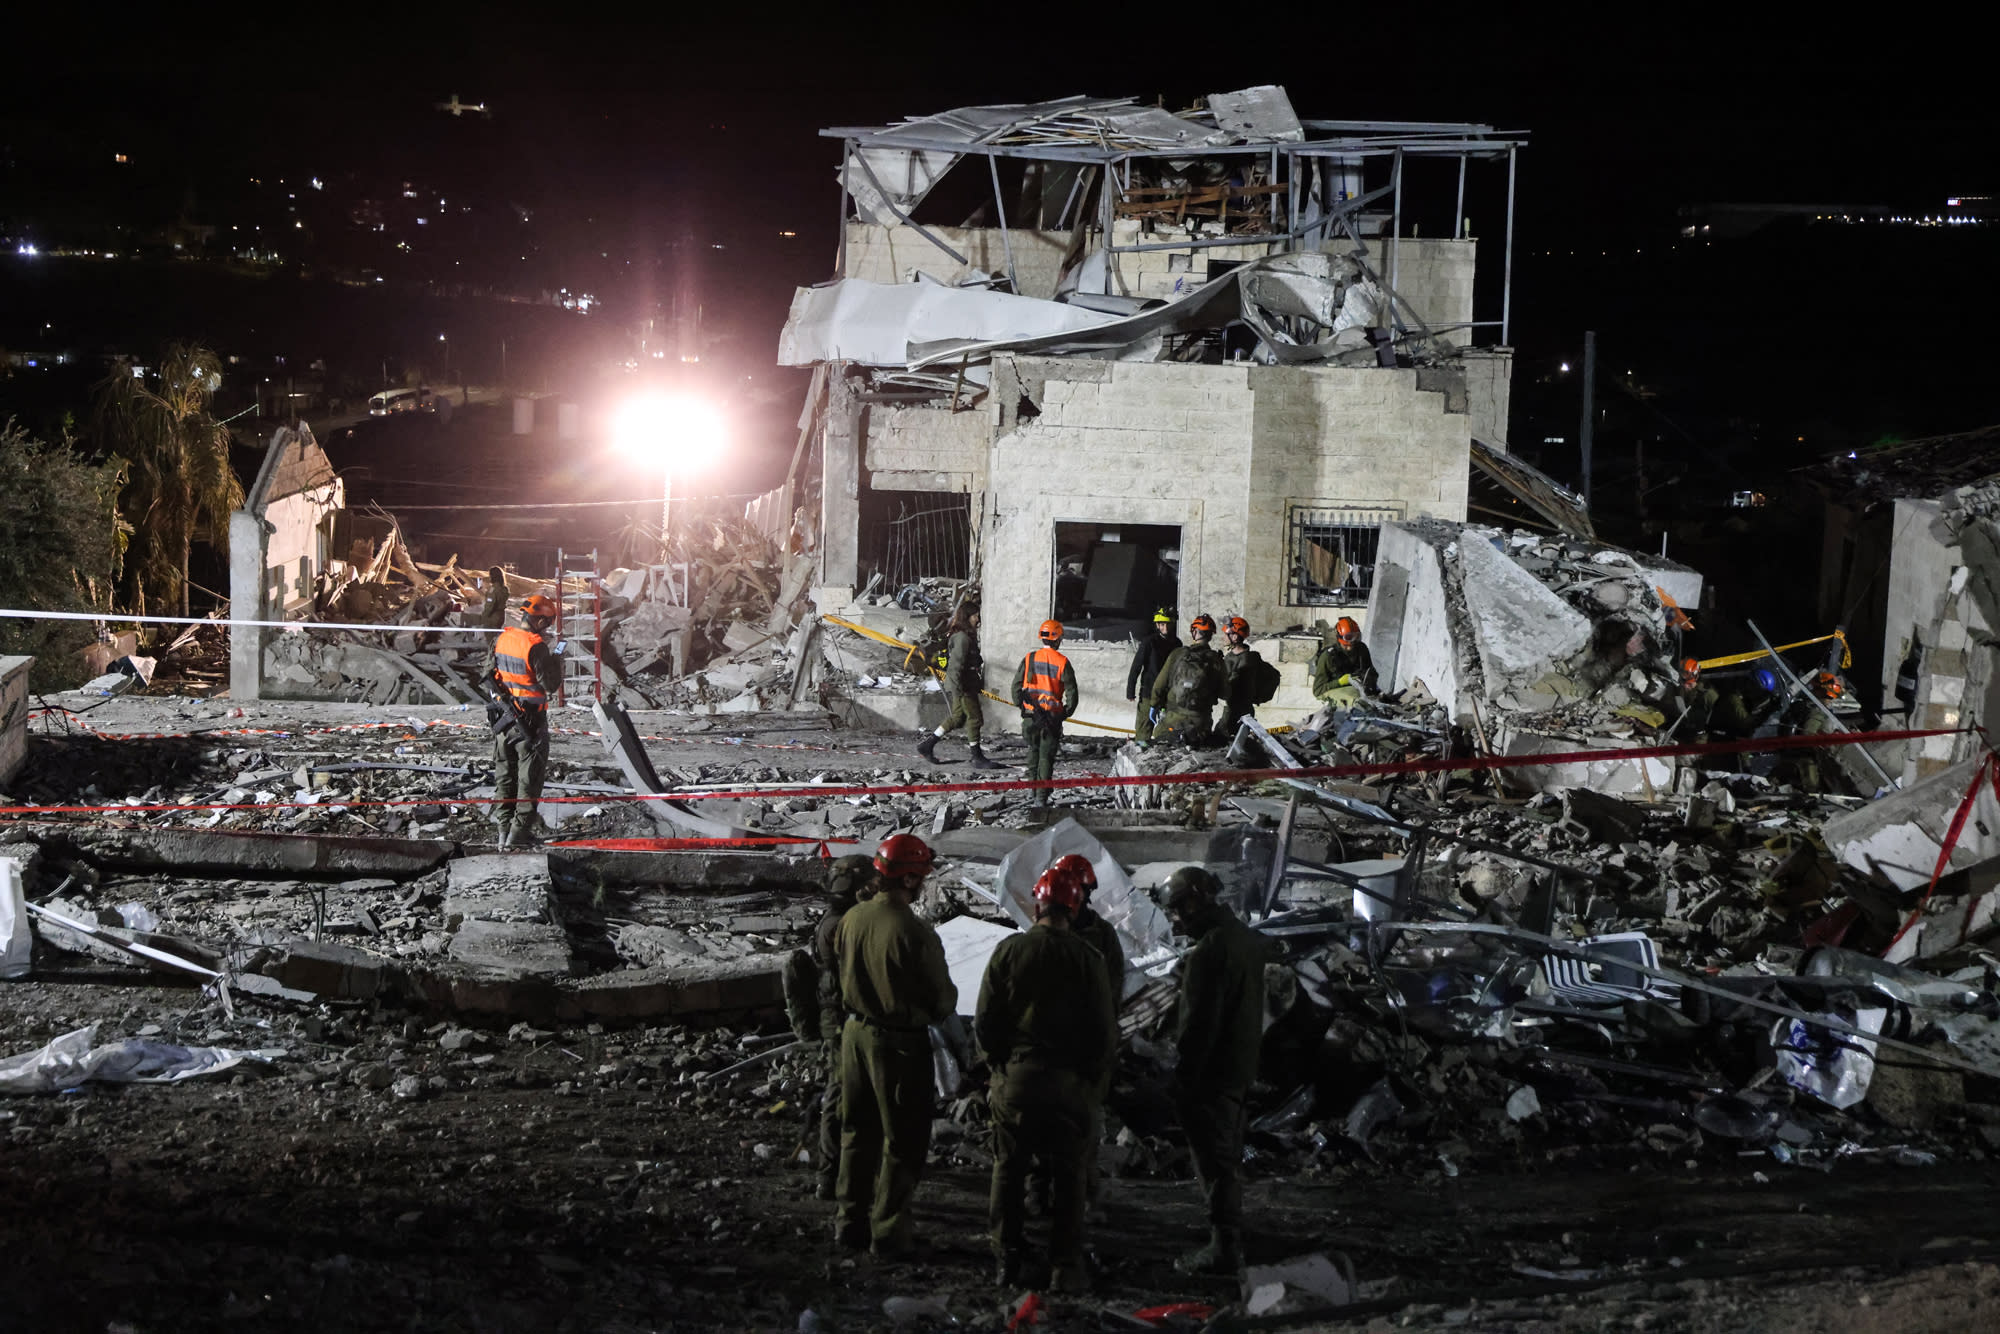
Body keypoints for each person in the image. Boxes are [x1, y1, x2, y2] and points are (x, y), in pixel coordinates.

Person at [976, 863, 1116, 1292]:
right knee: (1070, 1176)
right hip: (1068, 1084)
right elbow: (1103, 1032)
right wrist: (1091, 1084)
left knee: (1008, 1169)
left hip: (1018, 1079)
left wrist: (1000, 1068)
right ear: (1074, 908)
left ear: (1037, 903)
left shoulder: (1008, 951)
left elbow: (985, 1023)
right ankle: (1064, 1266)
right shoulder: (1090, 959)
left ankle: (1008, 1260)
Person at [833, 833, 957, 1258]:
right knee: (902, 1142)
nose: (922, 883)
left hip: (853, 1037)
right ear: (908, 880)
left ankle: (849, 1223)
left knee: (856, 1132)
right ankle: (887, 1234)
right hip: (897, 1046)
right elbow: (942, 1000)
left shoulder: (851, 919)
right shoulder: (914, 932)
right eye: (920, 876)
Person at [1163, 865, 1271, 1275]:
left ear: (1195, 901)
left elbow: (1200, 1025)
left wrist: (1183, 1077)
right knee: (1227, 1154)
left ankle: (1223, 1245)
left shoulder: (1211, 950)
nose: (1178, 919)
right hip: (1241, 1064)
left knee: (1214, 1161)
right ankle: (1230, 1235)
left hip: (1213, 1073)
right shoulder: (1244, 938)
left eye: (1179, 909)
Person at [1049, 852, 1124, 1213]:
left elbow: (1113, 993)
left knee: (1081, 1125)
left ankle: (1082, 1191)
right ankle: (1046, 1192)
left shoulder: (1101, 936)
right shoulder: (1049, 936)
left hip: (1081, 1048)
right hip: (1052, 1047)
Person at [809, 854, 879, 1201]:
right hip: (843, 1018)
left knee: (843, 1095)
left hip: (838, 1016)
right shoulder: (842, 925)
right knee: (840, 1097)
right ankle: (831, 1174)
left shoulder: (834, 920)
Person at [487, 593, 562, 848]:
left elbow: (488, 674)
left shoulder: (502, 638)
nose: (549, 628)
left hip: (503, 720)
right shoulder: (535, 645)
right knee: (529, 781)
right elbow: (550, 684)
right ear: (540, 622)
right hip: (530, 722)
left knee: (504, 777)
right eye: (548, 623)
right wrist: (557, 658)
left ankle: (502, 830)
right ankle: (517, 836)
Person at [917, 605, 998, 770]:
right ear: (967, 617)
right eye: (975, 616)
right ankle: (977, 757)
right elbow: (956, 665)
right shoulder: (962, 638)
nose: (978, 620)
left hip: (964, 684)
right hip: (964, 686)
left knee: (958, 718)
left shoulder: (965, 636)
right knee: (975, 719)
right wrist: (957, 688)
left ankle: (927, 745)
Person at [1011, 620, 1079, 806]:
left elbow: (1016, 688)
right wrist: (1065, 713)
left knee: (1033, 752)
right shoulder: (1063, 662)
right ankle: (1041, 798)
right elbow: (1072, 693)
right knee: (1045, 758)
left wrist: (1022, 707)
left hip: (1031, 717)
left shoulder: (1029, 658)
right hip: (1051, 718)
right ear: (1057, 639)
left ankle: (1031, 793)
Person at [1148, 614, 1227, 747]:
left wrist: (1153, 705)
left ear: (1194, 632)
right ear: (1210, 635)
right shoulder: (1216, 660)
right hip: (1200, 725)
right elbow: (1225, 693)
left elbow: (1159, 685)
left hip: (1171, 722)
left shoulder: (1178, 654)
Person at [1126, 610, 1181, 749]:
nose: (1165, 628)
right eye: (1162, 624)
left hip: (1168, 694)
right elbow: (1136, 667)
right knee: (1144, 730)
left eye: (1168, 624)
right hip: (1149, 693)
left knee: (1166, 730)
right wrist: (1130, 690)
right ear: (1157, 625)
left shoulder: (1177, 644)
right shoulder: (1149, 642)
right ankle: (1140, 752)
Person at [1310, 617, 1377, 708]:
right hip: (1336, 690)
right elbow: (1318, 690)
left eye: (1356, 636)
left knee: (1374, 699)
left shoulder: (1361, 649)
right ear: (1339, 637)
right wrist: (1340, 682)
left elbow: (1372, 672)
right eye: (1349, 637)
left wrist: (1368, 678)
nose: (1351, 644)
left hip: (1358, 689)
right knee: (1355, 700)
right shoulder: (1328, 656)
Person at [1218, 616, 1268, 737]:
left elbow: (1229, 685)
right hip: (1239, 709)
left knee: (1221, 738)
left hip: (1238, 710)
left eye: (1226, 634)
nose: (1223, 637)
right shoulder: (1236, 657)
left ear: (1234, 637)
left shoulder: (1246, 660)